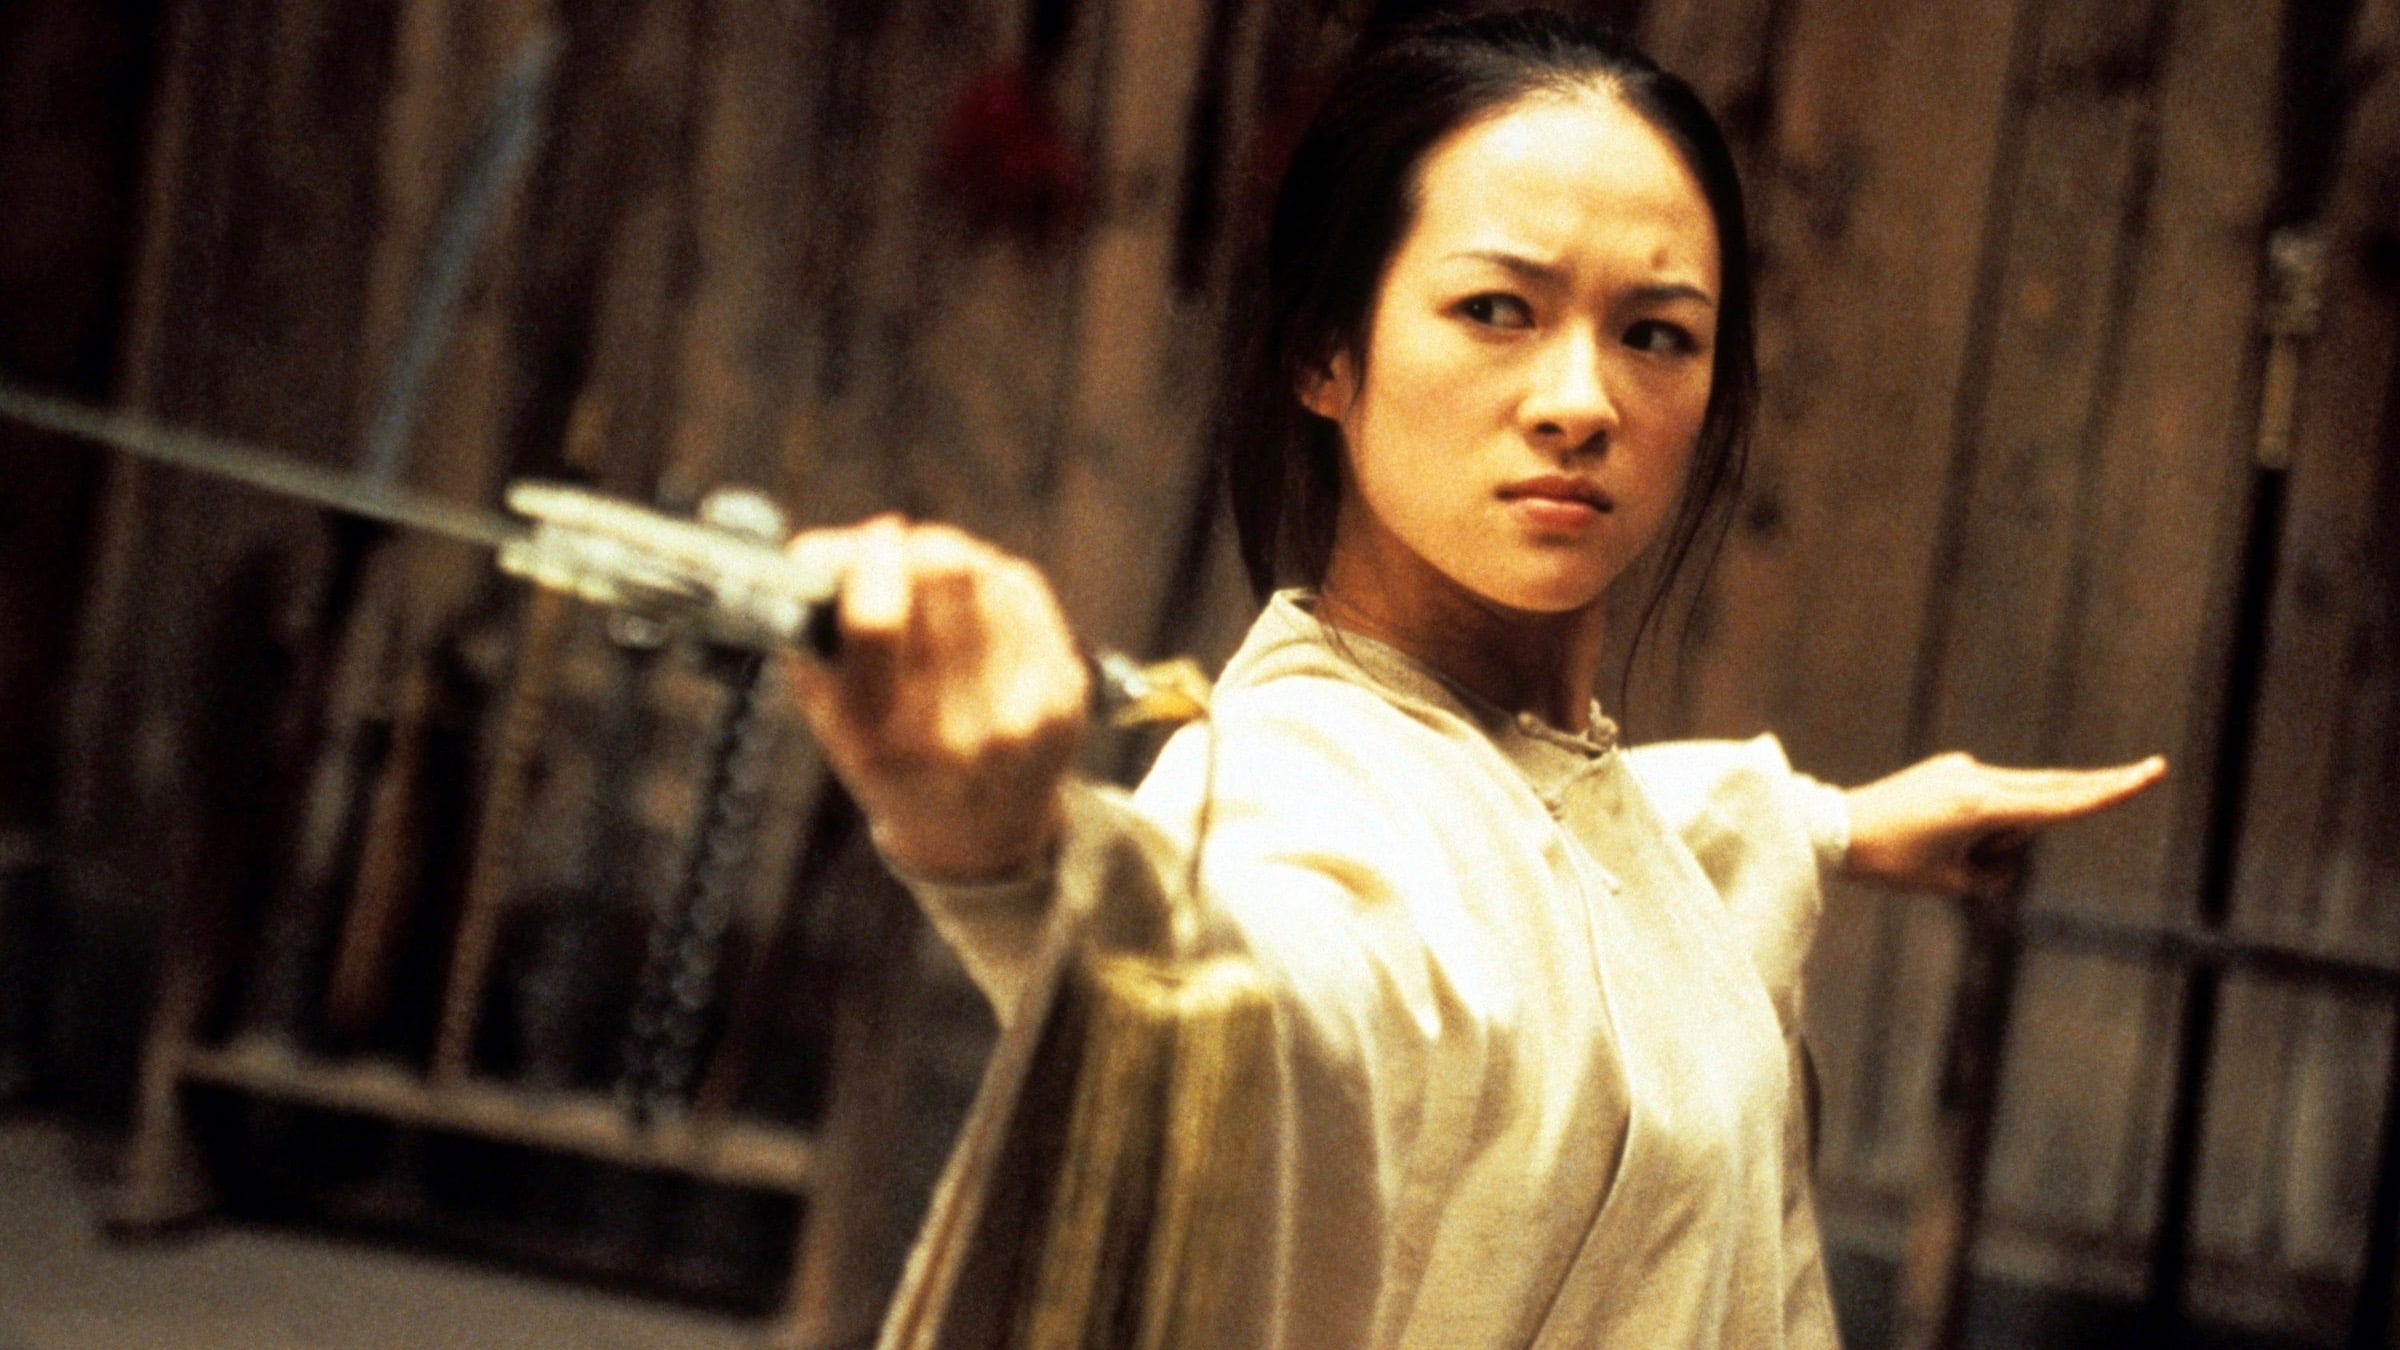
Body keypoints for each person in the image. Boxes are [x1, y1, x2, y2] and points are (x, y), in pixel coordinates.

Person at [785, 9, 2166, 1346]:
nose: (1582, 401)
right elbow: (1266, 982)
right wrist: (1008, 855)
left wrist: (1837, 824)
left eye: (1656, 334)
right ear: (1327, 352)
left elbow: (1552, 863)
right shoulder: (1280, 798)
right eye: (1497, 309)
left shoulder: (1570, 797)